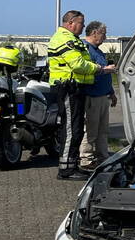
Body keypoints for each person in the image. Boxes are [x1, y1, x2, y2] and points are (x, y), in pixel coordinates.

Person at [48, 10, 116, 180]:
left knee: (76, 129)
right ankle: (66, 170)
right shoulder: (64, 38)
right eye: (81, 23)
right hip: (67, 87)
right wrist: (100, 69)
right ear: (71, 22)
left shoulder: (73, 40)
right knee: (72, 130)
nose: (83, 26)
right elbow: (78, 64)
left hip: (76, 88)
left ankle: (71, 166)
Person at [80, 21, 117, 170]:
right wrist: (105, 69)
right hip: (92, 96)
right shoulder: (85, 49)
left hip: (103, 96)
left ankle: (103, 157)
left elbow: (104, 74)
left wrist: (112, 93)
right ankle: (86, 159)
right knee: (91, 130)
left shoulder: (99, 51)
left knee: (103, 130)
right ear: (94, 33)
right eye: (103, 34)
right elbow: (87, 69)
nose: (105, 37)